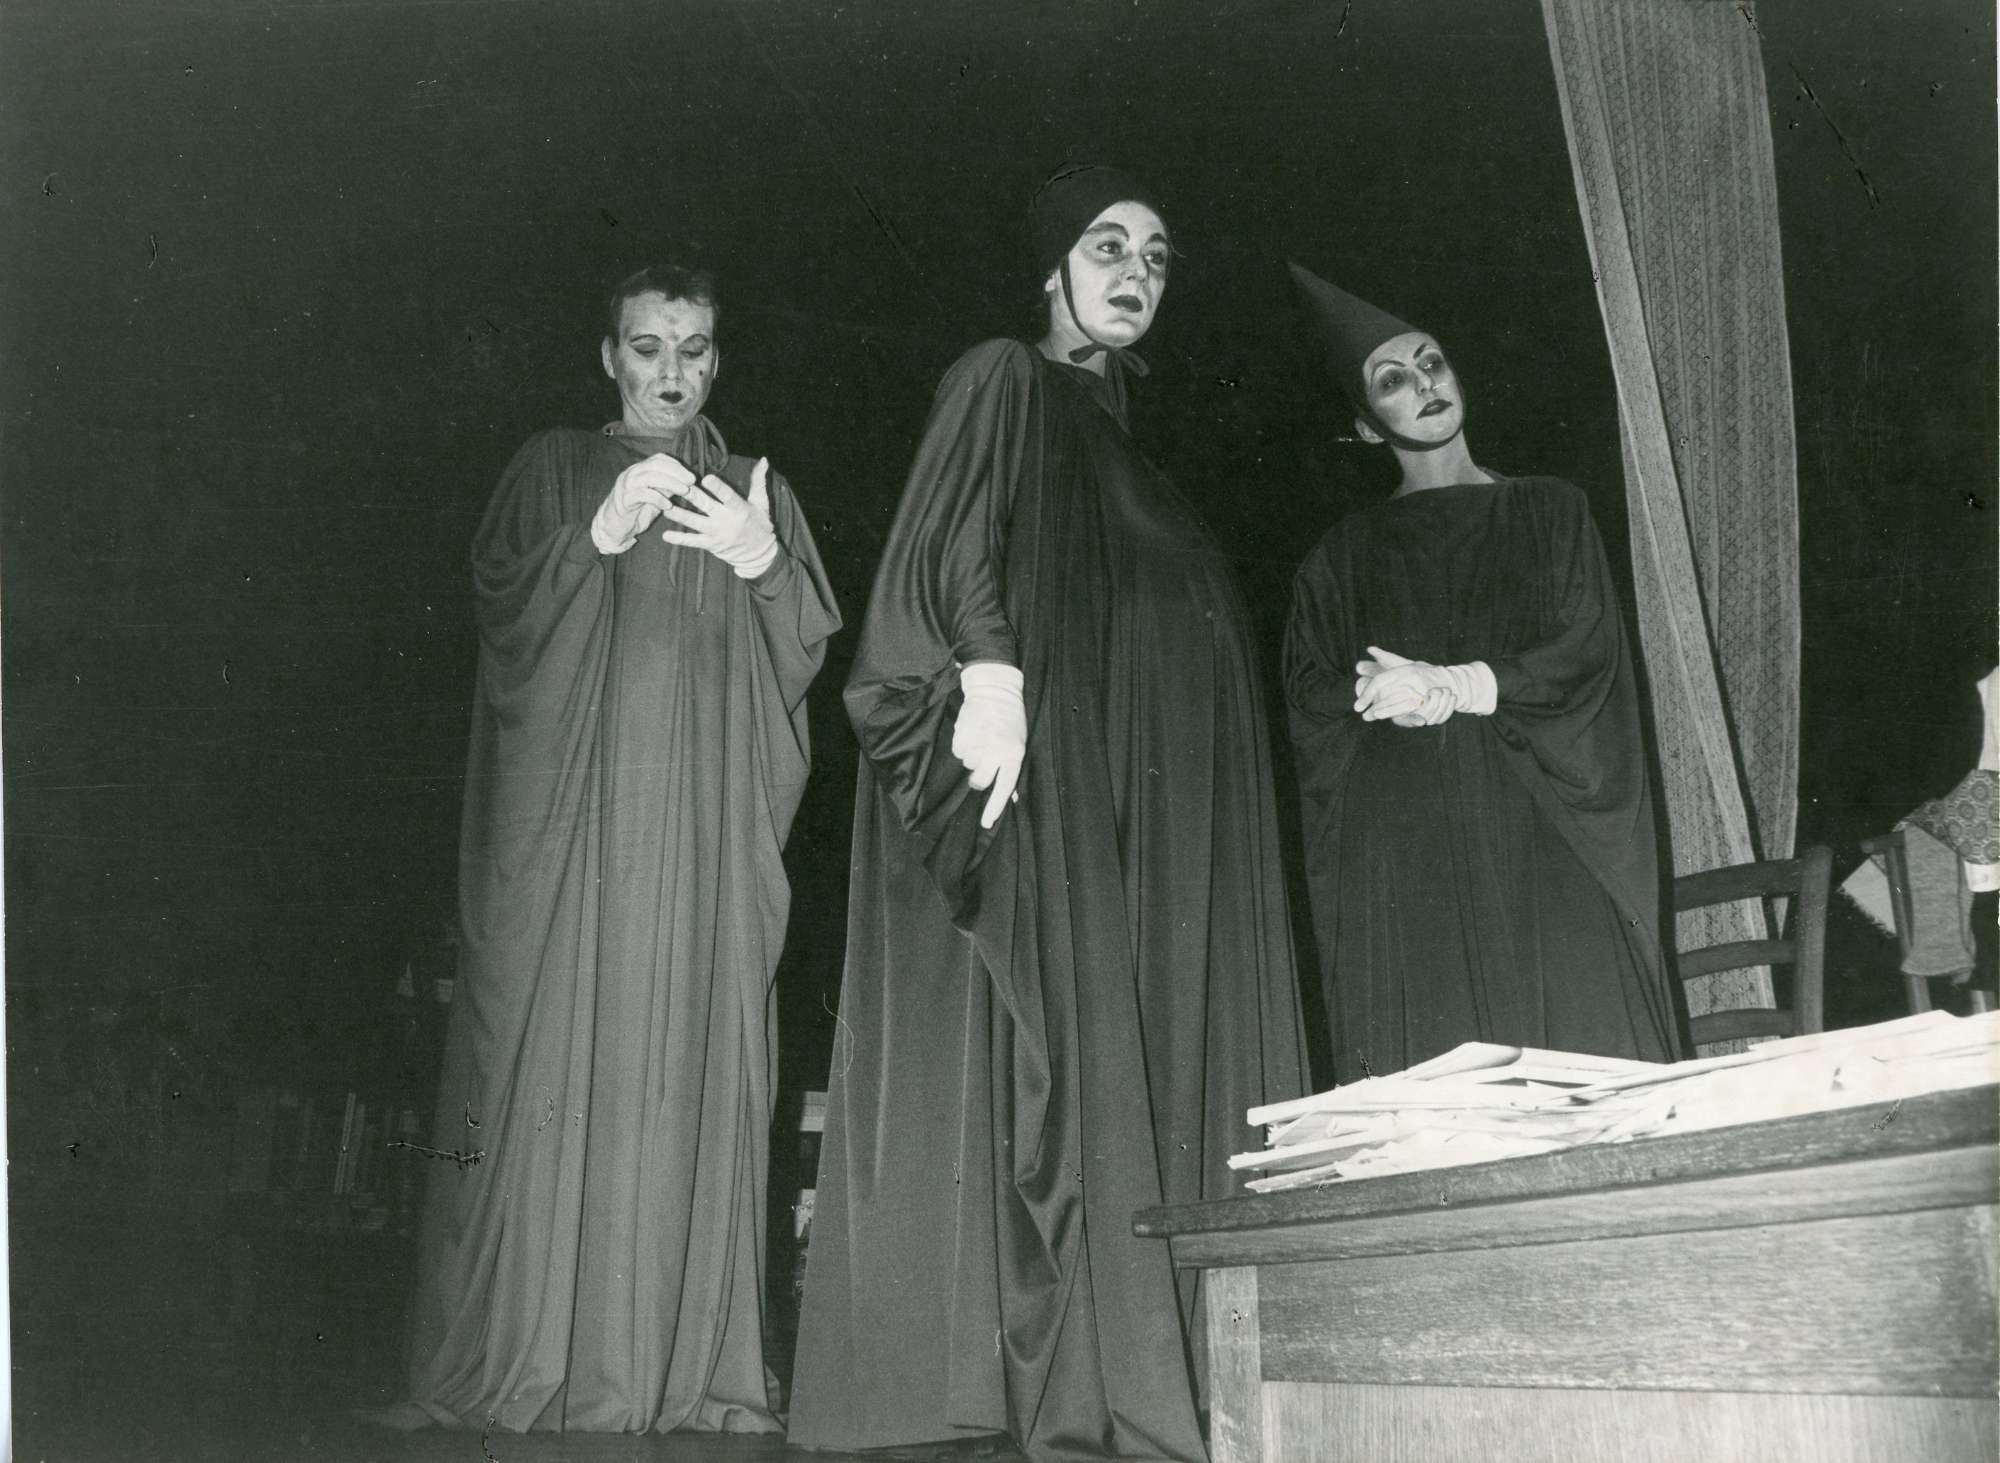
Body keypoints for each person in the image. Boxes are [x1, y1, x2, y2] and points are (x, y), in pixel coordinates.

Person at [787, 167, 1308, 1463]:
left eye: (1158, 255)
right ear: (1051, 268)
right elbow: (953, 525)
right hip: (1054, 768)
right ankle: (1059, 1360)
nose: (1137, 271)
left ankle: (1158, 1353)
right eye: (1107, 244)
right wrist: (990, 672)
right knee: (1054, 1053)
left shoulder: (1124, 442)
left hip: (1142, 789)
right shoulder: (1005, 377)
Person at [399, 264, 840, 1433]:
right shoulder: (551, 464)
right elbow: (501, 611)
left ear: (717, 357)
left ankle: (681, 1366)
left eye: (693, 349)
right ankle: (534, 1353)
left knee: (689, 1073)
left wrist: (761, 559)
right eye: (647, 347)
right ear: (609, 357)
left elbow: (802, 652)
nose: (671, 372)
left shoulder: (754, 486)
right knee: (550, 1076)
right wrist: (592, 537)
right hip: (576, 851)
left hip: (698, 852)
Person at [1282, 262, 1679, 1082]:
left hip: (1544, 829)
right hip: (1414, 855)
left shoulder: (1551, 509)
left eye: (1431, 362)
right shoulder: (1339, 558)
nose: (1425, 383)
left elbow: (1587, 651)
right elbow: (1308, 691)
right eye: (1392, 380)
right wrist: (1372, 695)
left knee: (1590, 1066)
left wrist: (1459, 684)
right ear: (1365, 426)